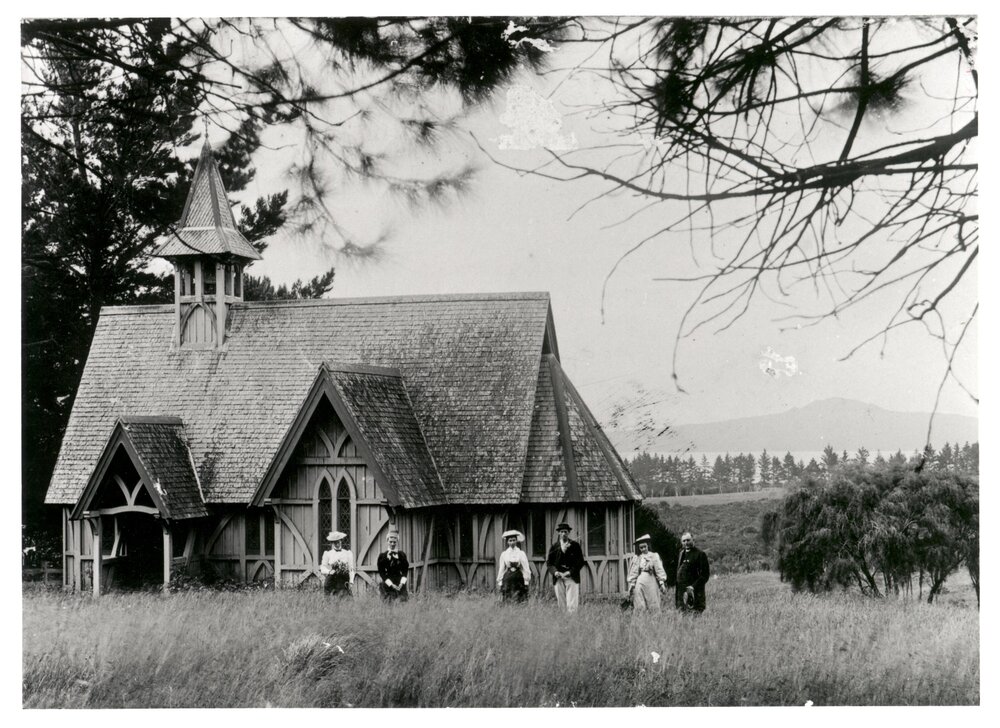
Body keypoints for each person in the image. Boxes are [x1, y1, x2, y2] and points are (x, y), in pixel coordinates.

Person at [546, 522, 585, 613]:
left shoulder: (575, 545)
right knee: (561, 602)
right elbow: (549, 563)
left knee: (572, 603)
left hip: (571, 576)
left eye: (565, 532)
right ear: (559, 533)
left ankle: (572, 621)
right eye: (562, 532)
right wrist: (555, 572)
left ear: (568, 533)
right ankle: (563, 621)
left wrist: (570, 572)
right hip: (558, 577)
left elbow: (580, 562)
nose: (564, 534)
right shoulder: (554, 547)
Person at [627, 534, 667, 612]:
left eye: (645, 546)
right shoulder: (637, 557)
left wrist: (661, 583)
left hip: (651, 579)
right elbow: (634, 572)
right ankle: (641, 618)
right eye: (641, 547)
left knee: (652, 599)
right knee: (639, 598)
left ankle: (654, 619)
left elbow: (659, 569)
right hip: (640, 579)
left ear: (648, 546)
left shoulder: (654, 556)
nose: (643, 549)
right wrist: (632, 585)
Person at [675, 531, 710, 613]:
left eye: (688, 540)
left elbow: (705, 575)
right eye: (684, 541)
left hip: (695, 593)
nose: (686, 543)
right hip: (681, 593)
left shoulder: (700, 554)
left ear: (693, 540)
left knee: (695, 616)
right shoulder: (681, 554)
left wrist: (693, 587)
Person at [496, 529, 531, 602]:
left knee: (519, 597)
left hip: (518, 577)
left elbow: (526, 568)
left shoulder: (521, 553)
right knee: (507, 597)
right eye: (510, 540)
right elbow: (502, 568)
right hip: (508, 577)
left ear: (516, 541)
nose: (512, 542)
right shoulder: (504, 554)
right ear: (507, 542)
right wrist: (500, 581)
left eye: (514, 540)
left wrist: (526, 580)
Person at [377, 530, 410, 602]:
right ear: (387, 541)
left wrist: (402, 583)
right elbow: (382, 573)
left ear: (397, 542)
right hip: (388, 585)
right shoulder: (382, 556)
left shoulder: (402, 555)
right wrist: (391, 584)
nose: (392, 544)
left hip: (400, 584)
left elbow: (405, 570)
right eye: (390, 541)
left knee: (402, 604)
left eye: (394, 542)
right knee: (388, 604)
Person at [320, 530, 355, 597]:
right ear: (332, 543)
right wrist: (329, 571)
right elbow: (322, 568)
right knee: (330, 598)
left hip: (344, 579)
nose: (337, 543)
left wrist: (351, 581)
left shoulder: (347, 553)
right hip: (332, 579)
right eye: (335, 542)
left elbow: (351, 569)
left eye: (338, 541)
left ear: (341, 541)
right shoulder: (328, 554)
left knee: (346, 599)